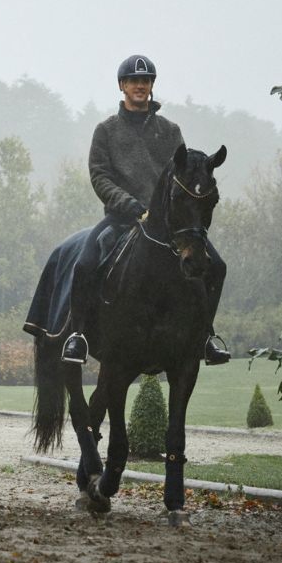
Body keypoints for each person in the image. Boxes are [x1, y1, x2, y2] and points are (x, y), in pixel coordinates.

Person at [60, 54, 231, 365]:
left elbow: (184, 173)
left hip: (169, 223)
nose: (140, 86)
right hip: (120, 218)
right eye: (134, 81)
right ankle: (79, 336)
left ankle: (205, 336)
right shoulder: (106, 130)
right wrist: (131, 206)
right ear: (122, 86)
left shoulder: (170, 130)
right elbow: (99, 175)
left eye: (146, 80)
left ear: (151, 86)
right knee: (85, 264)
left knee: (216, 266)